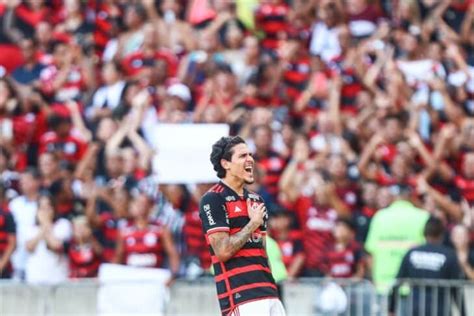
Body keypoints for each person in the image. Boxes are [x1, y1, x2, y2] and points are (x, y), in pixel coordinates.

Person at [199, 136, 286, 316]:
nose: (250, 160)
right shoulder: (213, 199)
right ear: (226, 164)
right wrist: (252, 223)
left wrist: (272, 289)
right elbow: (222, 251)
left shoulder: (256, 199)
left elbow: (262, 250)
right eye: (242, 156)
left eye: (250, 154)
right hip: (242, 297)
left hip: (269, 293)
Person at [390, 217, 465, 316]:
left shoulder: (412, 253)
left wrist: (391, 309)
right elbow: (456, 289)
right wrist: (464, 313)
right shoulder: (449, 255)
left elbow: (398, 281)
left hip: (415, 309)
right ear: (441, 234)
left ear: (424, 232)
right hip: (440, 310)